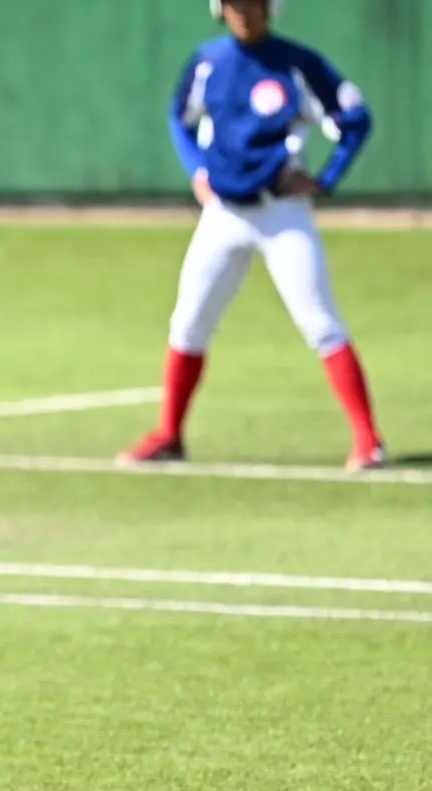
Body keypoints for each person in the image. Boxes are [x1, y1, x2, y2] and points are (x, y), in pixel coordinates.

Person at [118, 0, 383, 471]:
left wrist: (326, 179)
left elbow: (356, 120)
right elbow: (179, 117)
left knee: (321, 324)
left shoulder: (299, 64)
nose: (243, 10)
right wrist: (197, 170)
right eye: (233, 2)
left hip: (282, 214)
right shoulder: (209, 62)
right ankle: (170, 434)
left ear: (270, 6)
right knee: (188, 323)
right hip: (223, 214)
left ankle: (368, 440)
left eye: (251, 1)